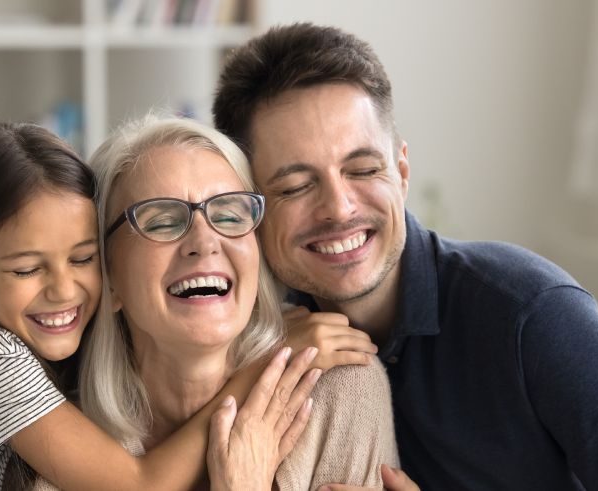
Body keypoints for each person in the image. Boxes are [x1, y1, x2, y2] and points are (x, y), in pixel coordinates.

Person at [212, 23, 598, 490]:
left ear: (401, 172)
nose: (339, 208)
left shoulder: (529, 311)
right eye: (296, 186)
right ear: (247, 206)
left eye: (363, 170)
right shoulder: (240, 325)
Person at [0, 122, 354, 490]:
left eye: (82, 259)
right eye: (26, 269)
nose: (65, 290)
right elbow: (138, 485)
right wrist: (263, 371)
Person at [46, 115, 398, 490]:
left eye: (229, 216)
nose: (204, 241)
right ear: (108, 276)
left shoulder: (341, 388)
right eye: (162, 222)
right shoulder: (60, 447)